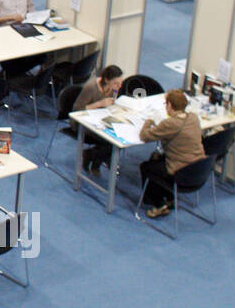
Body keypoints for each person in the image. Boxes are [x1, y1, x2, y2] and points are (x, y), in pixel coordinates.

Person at [138, 89, 206, 218]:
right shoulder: (193, 118)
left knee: (146, 167)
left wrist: (149, 121)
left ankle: (158, 204)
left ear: (169, 105)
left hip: (182, 171)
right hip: (199, 168)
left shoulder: (170, 123)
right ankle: (169, 198)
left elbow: (144, 136)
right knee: (157, 159)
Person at [73, 64, 125, 173]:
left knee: (120, 139)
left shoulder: (114, 89)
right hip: (82, 122)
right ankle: (93, 158)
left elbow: (112, 102)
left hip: (101, 119)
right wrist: (99, 104)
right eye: (116, 83)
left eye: (121, 83)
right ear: (106, 80)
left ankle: (94, 159)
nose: (119, 86)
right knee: (111, 142)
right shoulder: (91, 87)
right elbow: (77, 110)